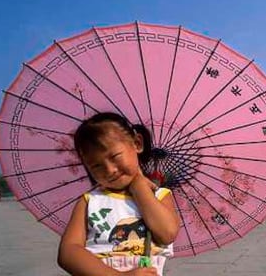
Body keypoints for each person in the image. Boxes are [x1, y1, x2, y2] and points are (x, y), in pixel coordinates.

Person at [58, 112, 180, 276]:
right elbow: (68, 252)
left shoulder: (159, 196)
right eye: (96, 166)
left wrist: (140, 188)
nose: (110, 170)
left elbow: (167, 234)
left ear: (137, 143)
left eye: (114, 156)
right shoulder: (90, 201)